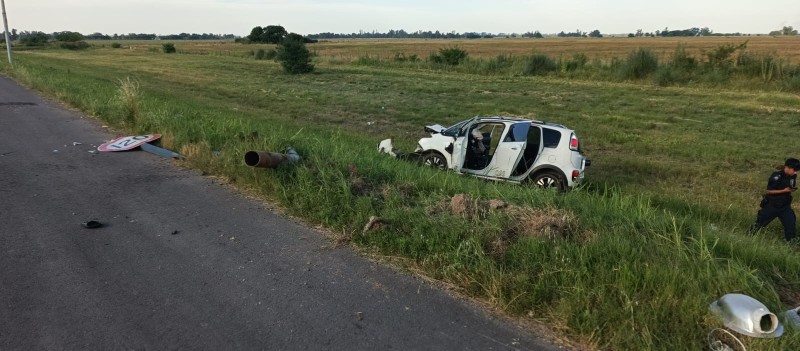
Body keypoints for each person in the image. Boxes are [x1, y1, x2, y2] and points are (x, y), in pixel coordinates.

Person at [749, 158, 800, 242]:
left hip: (785, 206)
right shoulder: (776, 176)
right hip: (772, 205)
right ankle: (749, 237)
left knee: (790, 225)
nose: (795, 172)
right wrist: (784, 191)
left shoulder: (793, 177)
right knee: (759, 223)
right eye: (794, 170)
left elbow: (790, 186)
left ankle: (791, 243)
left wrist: (790, 190)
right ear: (787, 167)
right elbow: (769, 191)